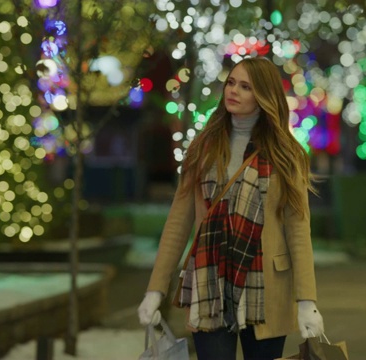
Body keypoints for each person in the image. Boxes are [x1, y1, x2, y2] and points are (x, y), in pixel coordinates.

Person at [137, 57, 324, 360]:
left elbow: (298, 230)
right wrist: (155, 290)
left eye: (246, 86)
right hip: (209, 278)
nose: (233, 91)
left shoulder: (286, 154)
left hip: (265, 285)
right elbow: (178, 222)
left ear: (263, 96)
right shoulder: (204, 147)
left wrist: (307, 301)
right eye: (231, 83)